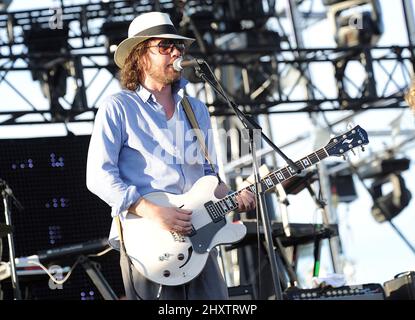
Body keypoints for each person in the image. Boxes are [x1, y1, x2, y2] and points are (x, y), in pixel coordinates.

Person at [86, 11, 256, 300]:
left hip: (198, 237)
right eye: (164, 46)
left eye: (178, 46)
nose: (176, 51)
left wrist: (231, 196)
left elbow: (206, 175)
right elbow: (98, 176)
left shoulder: (195, 109)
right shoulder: (119, 107)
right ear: (139, 56)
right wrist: (153, 211)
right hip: (148, 242)